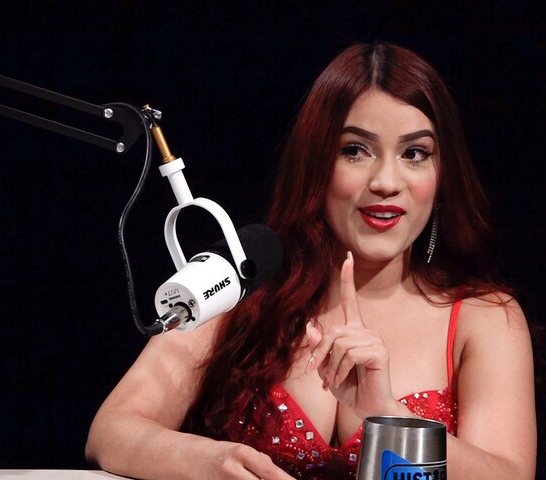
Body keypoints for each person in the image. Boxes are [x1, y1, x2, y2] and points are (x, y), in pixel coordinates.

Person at [85, 42, 536, 479]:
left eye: (414, 153)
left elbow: (510, 475)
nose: (386, 181)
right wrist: (204, 460)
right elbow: (111, 431)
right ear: (315, 163)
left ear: (442, 176)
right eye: (355, 150)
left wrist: (387, 414)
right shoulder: (237, 283)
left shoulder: (484, 317)